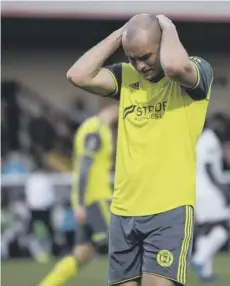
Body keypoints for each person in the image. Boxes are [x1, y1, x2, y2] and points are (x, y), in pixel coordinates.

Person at [67, 13, 213, 286]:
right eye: (132, 57)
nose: (140, 65)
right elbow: (77, 75)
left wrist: (166, 26)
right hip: (123, 211)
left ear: (162, 42)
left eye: (145, 56)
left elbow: (174, 67)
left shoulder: (196, 71)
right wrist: (122, 32)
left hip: (169, 210)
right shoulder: (127, 77)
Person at [39, 104, 118, 286]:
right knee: (120, 246)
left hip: (88, 199)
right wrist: (82, 203)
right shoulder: (96, 129)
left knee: (82, 253)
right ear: (116, 107)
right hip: (95, 200)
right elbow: (84, 167)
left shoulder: (91, 127)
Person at [191, 127, 230, 282]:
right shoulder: (209, 139)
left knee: (206, 230)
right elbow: (208, 166)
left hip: (195, 189)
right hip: (208, 189)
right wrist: (221, 188)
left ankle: (205, 273)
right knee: (223, 227)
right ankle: (199, 259)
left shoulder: (196, 138)